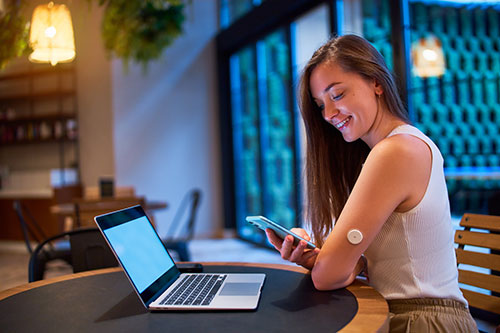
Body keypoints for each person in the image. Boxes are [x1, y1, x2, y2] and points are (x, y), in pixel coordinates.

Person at [265, 34, 477, 332]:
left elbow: (329, 277)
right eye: (320, 104)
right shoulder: (387, 150)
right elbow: (344, 268)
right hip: (397, 313)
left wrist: (333, 265)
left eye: (337, 95)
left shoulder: (396, 151)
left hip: (423, 321)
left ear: (376, 82)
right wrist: (323, 257)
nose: (328, 114)